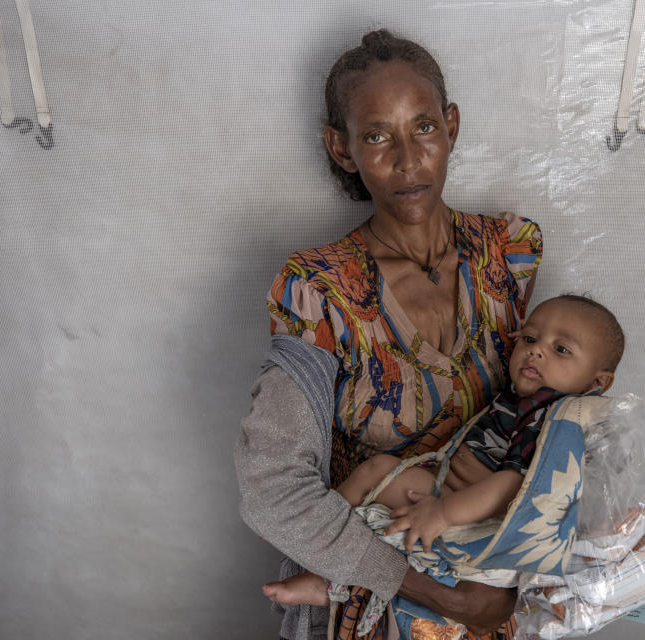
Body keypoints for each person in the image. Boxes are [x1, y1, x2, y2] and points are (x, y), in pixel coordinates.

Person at [235, 29, 543, 640]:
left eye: (423, 127)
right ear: (341, 148)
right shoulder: (320, 290)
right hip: (376, 607)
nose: (407, 160)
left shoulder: (508, 254)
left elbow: (544, 404)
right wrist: (442, 596)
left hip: (492, 585)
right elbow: (273, 489)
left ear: (451, 126)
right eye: (377, 136)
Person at [261, 294, 625, 612]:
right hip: (456, 491)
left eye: (561, 349)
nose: (537, 349)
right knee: (384, 504)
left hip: (470, 509)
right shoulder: (532, 398)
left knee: (377, 472)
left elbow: (515, 485)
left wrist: (443, 514)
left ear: (598, 382)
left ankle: (310, 543)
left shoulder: (548, 412)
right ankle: (320, 554)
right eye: (529, 338)